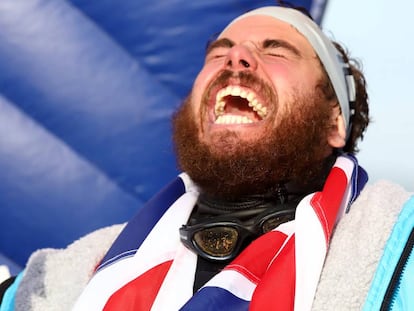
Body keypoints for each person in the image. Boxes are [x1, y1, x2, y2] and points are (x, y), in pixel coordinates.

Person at [1, 5, 413, 311]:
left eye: (276, 50)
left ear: (334, 122)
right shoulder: (61, 279)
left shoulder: (400, 255)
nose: (236, 58)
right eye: (219, 53)